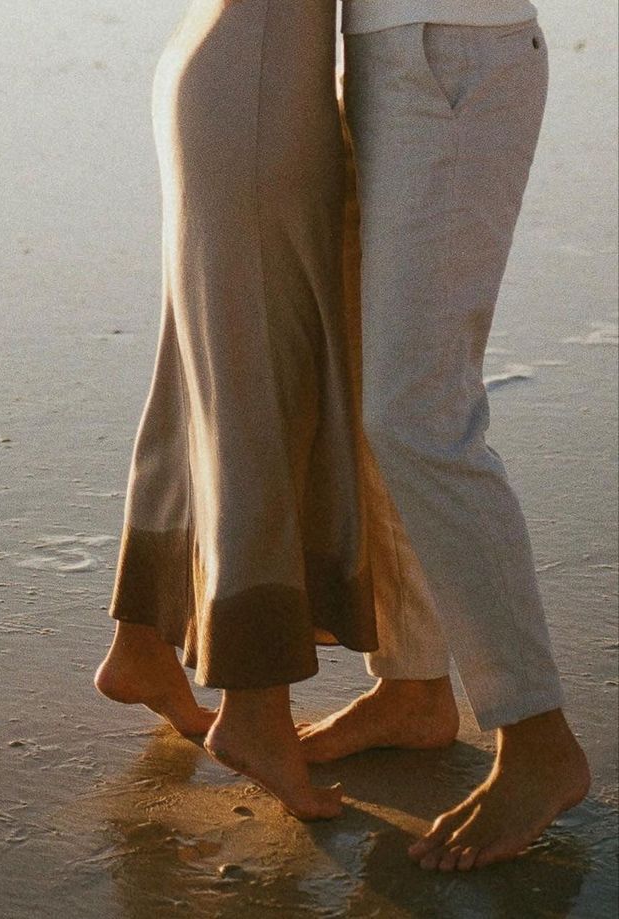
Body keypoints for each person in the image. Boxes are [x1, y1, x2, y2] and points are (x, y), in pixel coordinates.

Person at [297, 0, 591, 870]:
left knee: (418, 412)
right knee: (371, 398)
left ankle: (538, 734)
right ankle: (414, 682)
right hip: (383, 49)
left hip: (457, 51)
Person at [94, 0, 402, 821]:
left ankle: (143, 642)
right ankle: (256, 711)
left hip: (228, 70)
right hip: (258, 91)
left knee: (205, 377)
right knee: (257, 399)